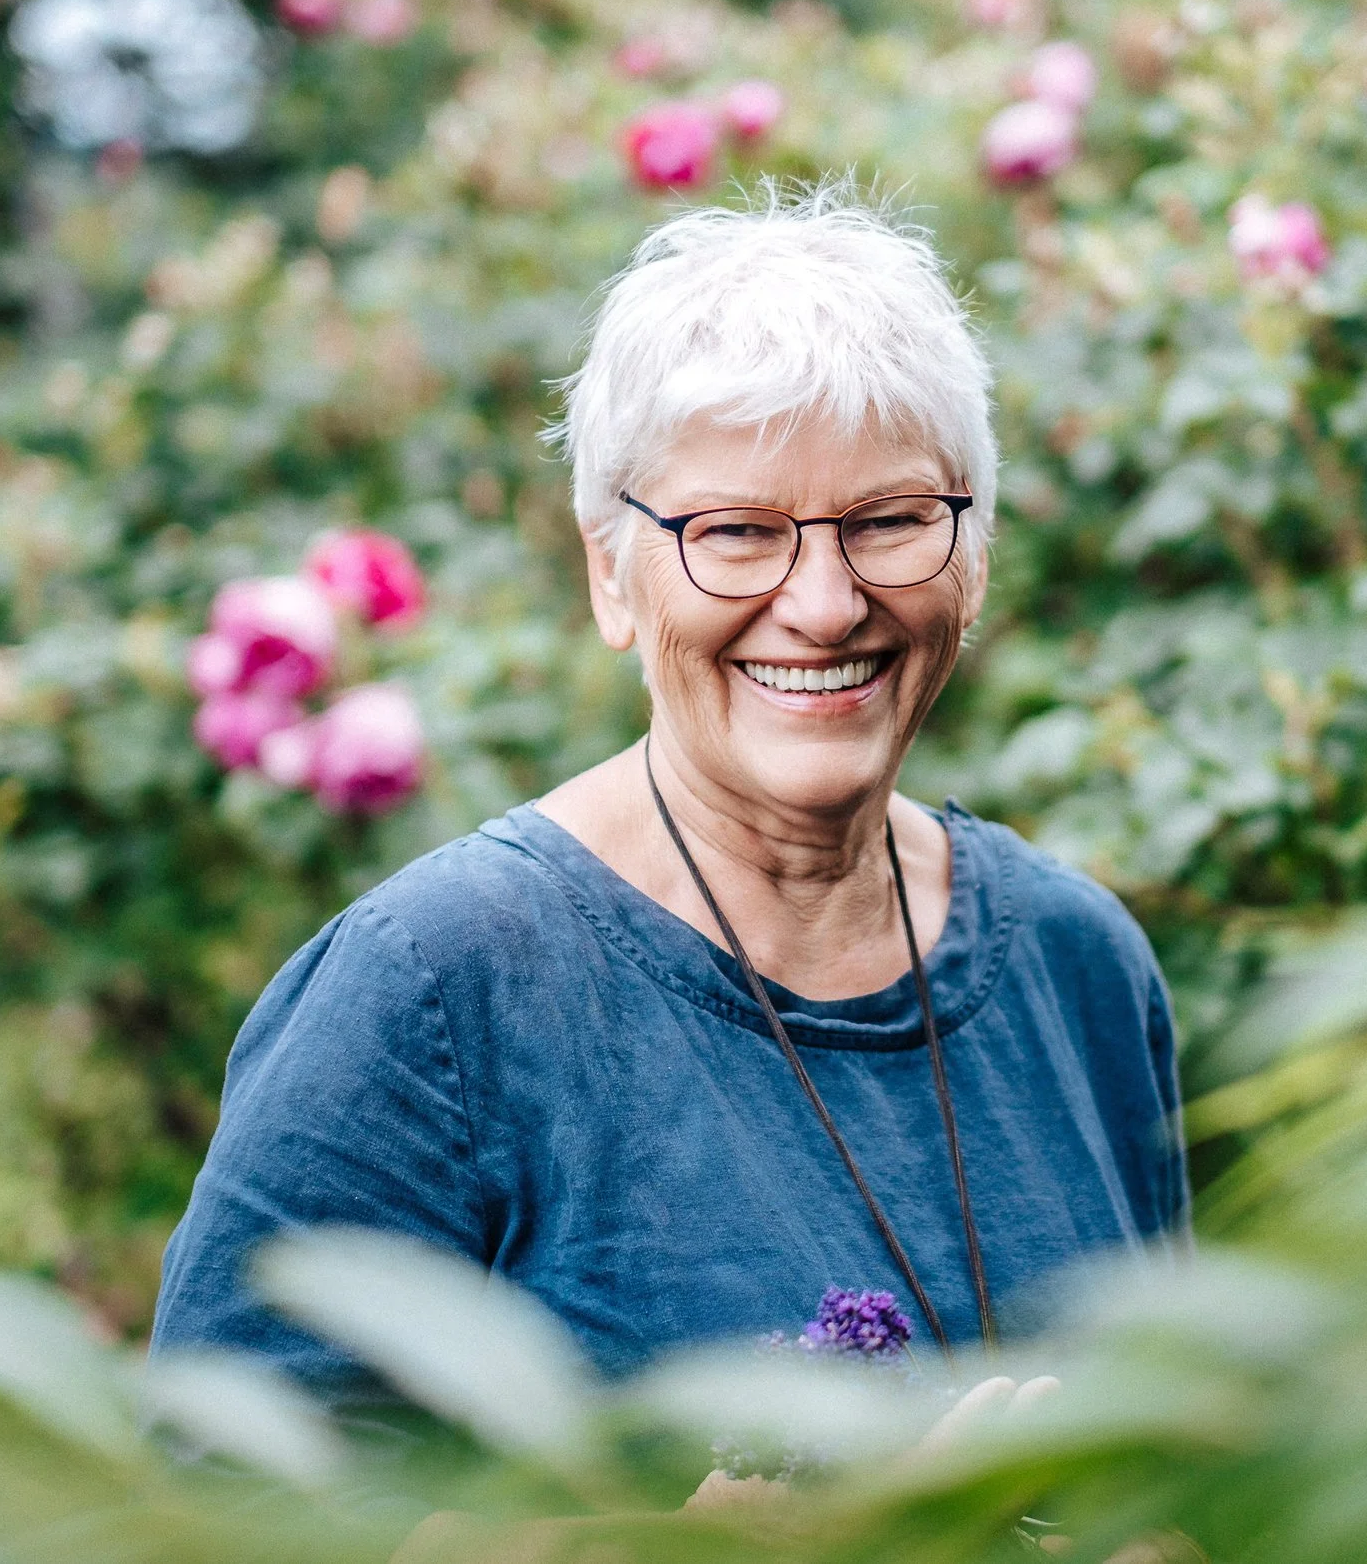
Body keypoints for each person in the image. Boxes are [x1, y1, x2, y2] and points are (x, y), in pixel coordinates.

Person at [149, 179, 1188, 1405]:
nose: (822, 602)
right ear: (611, 574)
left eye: (892, 520)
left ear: (973, 555)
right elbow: (221, 1504)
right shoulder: (435, 990)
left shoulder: (1078, 967)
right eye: (736, 533)